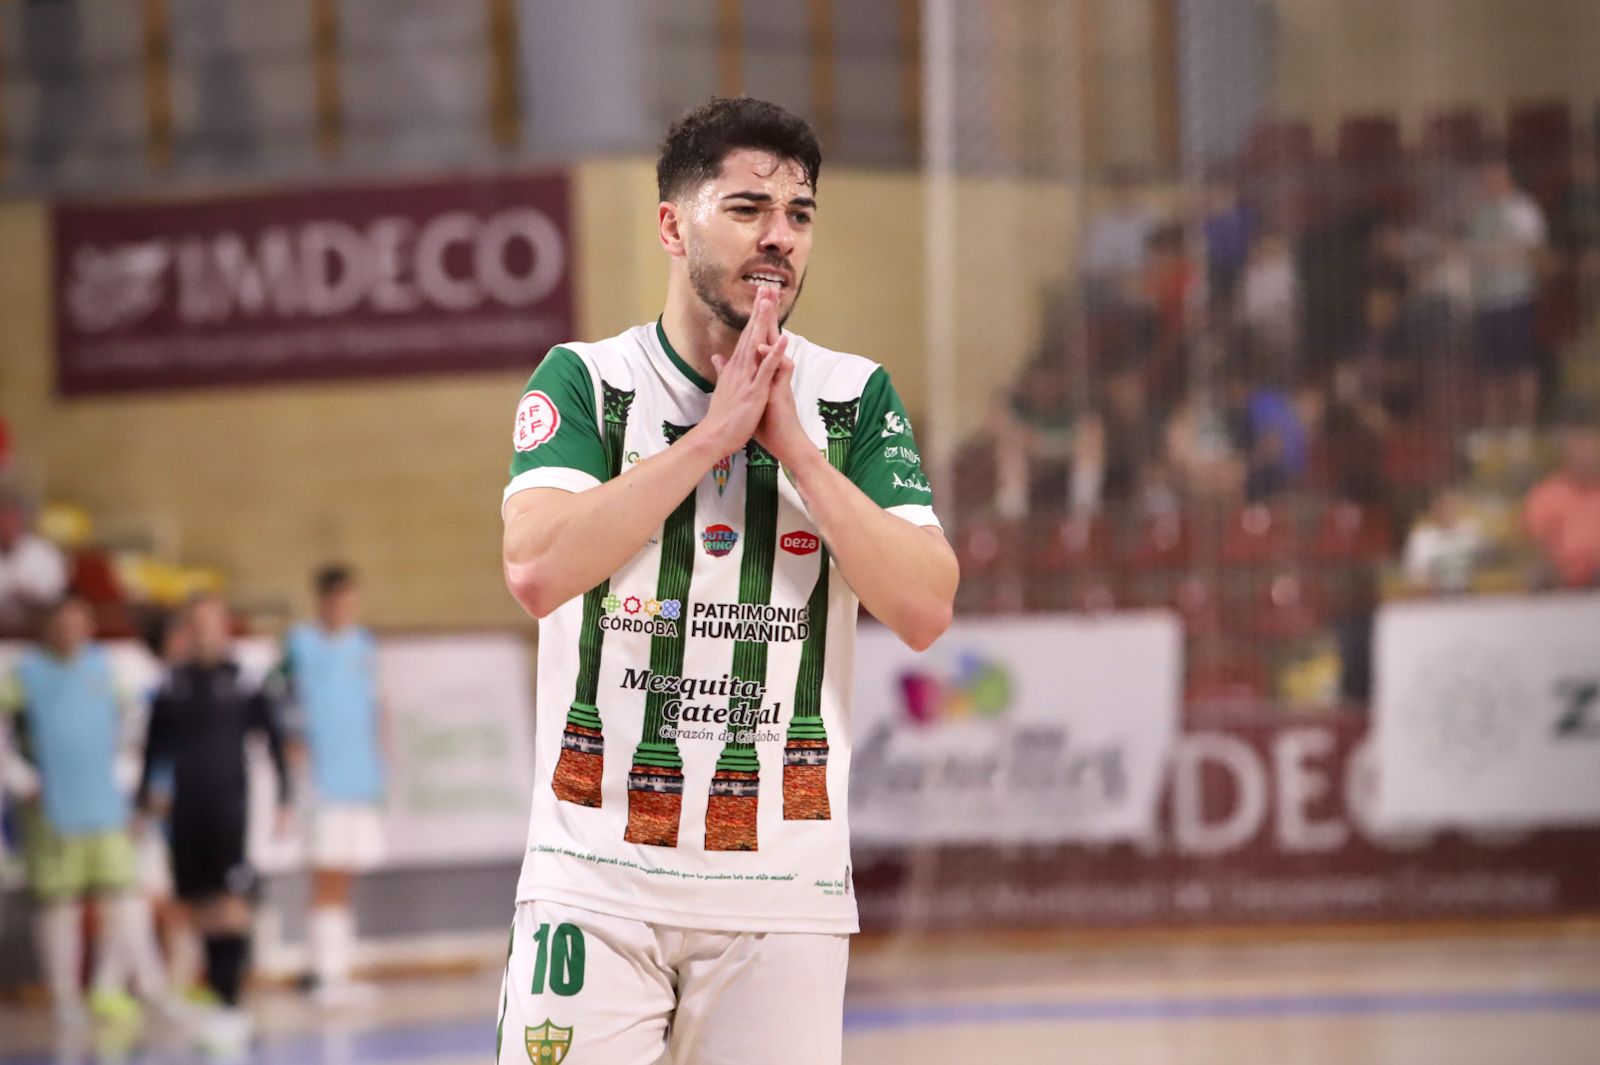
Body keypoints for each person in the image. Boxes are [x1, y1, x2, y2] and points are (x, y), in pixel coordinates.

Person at [497, 96, 958, 1065]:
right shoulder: (584, 381)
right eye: (747, 209)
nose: (778, 238)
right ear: (673, 224)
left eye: (798, 214)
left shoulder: (851, 398)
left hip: (782, 898)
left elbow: (923, 606)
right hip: (596, 883)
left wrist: (801, 456)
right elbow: (536, 567)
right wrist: (713, 437)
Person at [0, 596, 168, 1028]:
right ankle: (65, 998)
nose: (70, 631)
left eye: (79, 622)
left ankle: (122, 987)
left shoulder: (106, 671)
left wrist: (131, 782)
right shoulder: (24, 675)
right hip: (53, 808)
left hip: (105, 805)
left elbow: (132, 731)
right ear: (47, 628)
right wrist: (21, 778)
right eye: (62, 623)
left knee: (123, 895)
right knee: (60, 904)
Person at [138, 594, 292, 1048]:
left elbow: (275, 742)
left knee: (231, 904)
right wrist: (143, 802)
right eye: (197, 622)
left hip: (231, 808)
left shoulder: (244, 681)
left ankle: (231, 1002)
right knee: (200, 905)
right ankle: (214, 997)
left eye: (213, 621)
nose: (206, 630)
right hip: (187, 811)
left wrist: (283, 798)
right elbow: (153, 751)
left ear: (226, 626)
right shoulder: (172, 685)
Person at [276, 564, 385, 1004]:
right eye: (333, 597)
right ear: (320, 599)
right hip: (322, 777)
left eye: (348, 597)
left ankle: (334, 966)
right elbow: (278, 697)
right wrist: (291, 740)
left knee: (346, 870)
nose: (341, 606)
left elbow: (374, 705)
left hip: (359, 775)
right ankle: (325, 973)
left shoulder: (363, 645)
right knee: (326, 871)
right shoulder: (299, 645)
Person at [1467, 158, 1548, 429]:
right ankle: (1495, 425)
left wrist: (1488, 255)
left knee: (1519, 365)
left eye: (1493, 177)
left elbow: (1533, 252)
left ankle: (1524, 425)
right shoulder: (1479, 212)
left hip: (1514, 298)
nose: (1488, 183)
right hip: (1485, 301)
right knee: (1492, 370)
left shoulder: (1522, 209)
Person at [1524, 414, 1600, 589]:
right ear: (1566, 457)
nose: (1585, 460)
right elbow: (1534, 543)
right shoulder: (1547, 495)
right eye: (1579, 454)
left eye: (1589, 454)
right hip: (1558, 578)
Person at [0, 489, 69, 636]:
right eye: (2, 518)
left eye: (11, 518)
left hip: (39, 624)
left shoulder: (44, 552)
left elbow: (56, 593)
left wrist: (29, 595)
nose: (6, 524)